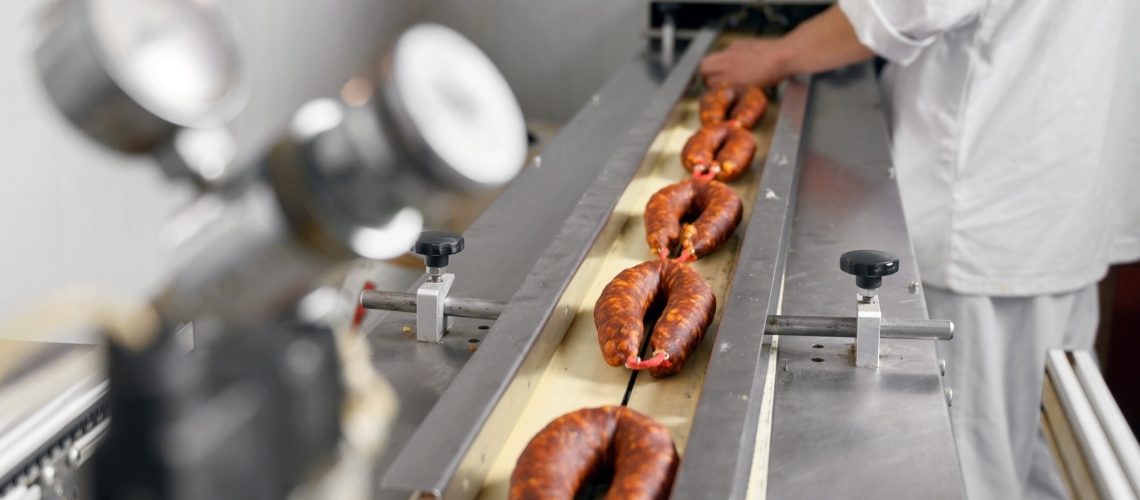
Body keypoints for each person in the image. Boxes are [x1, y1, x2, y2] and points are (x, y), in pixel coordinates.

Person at [700, 1, 1140, 499]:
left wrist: (778, 55)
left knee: (973, 465)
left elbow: (902, 8)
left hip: (982, 221)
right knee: (1041, 456)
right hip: (1064, 215)